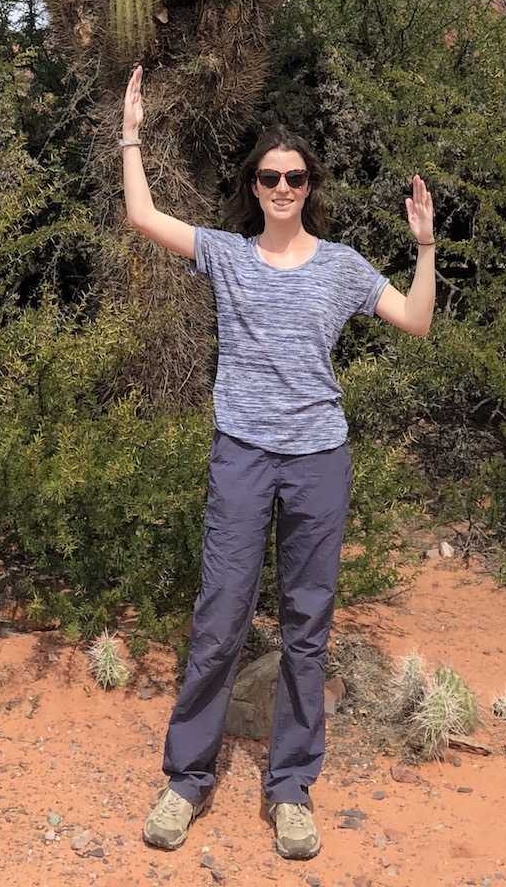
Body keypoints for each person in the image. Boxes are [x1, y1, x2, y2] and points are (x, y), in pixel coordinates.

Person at [121, 63, 436, 863]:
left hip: (318, 461)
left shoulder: (342, 266)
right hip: (243, 456)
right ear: (254, 186)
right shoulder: (225, 255)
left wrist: (426, 248)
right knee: (220, 618)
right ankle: (186, 780)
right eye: (271, 176)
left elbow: (416, 321)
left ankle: (289, 788)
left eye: (296, 177)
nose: (284, 187)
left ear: (310, 186)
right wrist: (130, 135)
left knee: (306, 628)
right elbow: (142, 214)